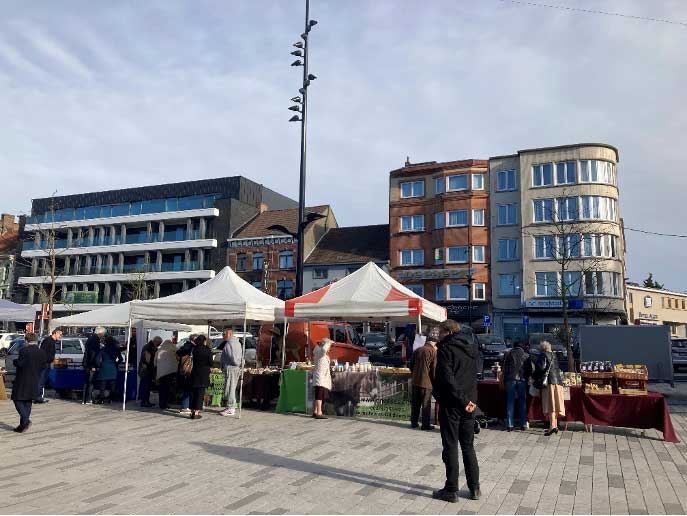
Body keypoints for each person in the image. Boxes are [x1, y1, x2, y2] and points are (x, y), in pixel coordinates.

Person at [432, 320, 480, 502]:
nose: (439, 336)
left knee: (451, 445)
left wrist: (462, 400)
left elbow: (447, 379)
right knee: (468, 446)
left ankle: (451, 489)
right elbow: (476, 373)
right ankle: (474, 488)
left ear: (448, 332)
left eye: (440, 332)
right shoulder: (472, 347)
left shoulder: (446, 349)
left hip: (453, 403)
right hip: (470, 402)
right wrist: (469, 401)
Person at [11, 333, 46, 432]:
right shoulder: (42, 352)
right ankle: (22, 426)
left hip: (23, 379)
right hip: (35, 379)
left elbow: (21, 363)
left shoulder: (24, 350)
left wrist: (15, 362)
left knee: (17, 399)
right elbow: (44, 366)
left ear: (26, 340)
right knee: (28, 401)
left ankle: (25, 420)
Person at [408, 330, 437, 430]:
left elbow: (410, 365)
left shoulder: (418, 350)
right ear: (434, 343)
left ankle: (414, 422)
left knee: (415, 403)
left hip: (415, 381)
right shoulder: (433, 352)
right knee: (426, 405)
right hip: (426, 383)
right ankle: (425, 425)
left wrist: (414, 374)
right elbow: (433, 369)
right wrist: (435, 382)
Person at [535, 341, 564, 436]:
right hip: (558, 382)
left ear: (542, 348)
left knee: (551, 404)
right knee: (555, 404)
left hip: (549, 383)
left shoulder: (542, 355)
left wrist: (534, 376)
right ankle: (555, 425)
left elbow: (540, 369)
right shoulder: (554, 355)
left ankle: (552, 426)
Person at [502, 340, 530, 431]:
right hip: (522, 379)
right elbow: (529, 369)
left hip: (510, 379)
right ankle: (523, 424)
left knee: (510, 401)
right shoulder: (526, 355)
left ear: (514, 346)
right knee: (522, 401)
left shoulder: (508, 354)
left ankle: (510, 424)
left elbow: (504, 367)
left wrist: (505, 379)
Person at [219, 328, 243, 417]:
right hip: (233, 368)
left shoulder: (230, 343)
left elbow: (233, 358)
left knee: (230, 388)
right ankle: (230, 406)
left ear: (229, 334)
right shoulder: (236, 342)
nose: (222, 336)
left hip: (231, 368)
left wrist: (234, 363)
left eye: (223, 334)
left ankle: (231, 408)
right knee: (231, 388)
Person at [189, 335, 213, 419]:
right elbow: (211, 362)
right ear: (204, 341)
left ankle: (192, 410)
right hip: (203, 374)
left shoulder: (194, 349)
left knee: (193, 392)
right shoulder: (207, 350)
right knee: (200, 393)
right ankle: (196, 412)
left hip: (194, 372)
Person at [35, 327, 61, 403]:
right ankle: (38, 397)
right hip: (44, 364)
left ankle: (39, 397)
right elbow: (43, 353)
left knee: (42, 381)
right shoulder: (48, 340)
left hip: (47, 363)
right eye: (60, 334)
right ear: (55, 333)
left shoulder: (52, 341)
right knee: (41, 380)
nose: (60, 336)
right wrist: (46, 361)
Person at [93, 336, 122, 404]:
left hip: (104, 369)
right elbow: (121, 359)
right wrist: (116, 363)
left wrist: (100, 365)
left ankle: (101, 399)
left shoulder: (103, 349)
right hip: (113, 369)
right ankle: (111, 399)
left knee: (102, 386)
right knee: (112, 386)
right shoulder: (116, 349)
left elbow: (97, 359)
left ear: (106, 342)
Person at [82, 326, 106, 405]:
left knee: (87, 382)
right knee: (91, 382)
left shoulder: (90, 338)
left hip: (86, 363)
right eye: (103, 334)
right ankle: (88, 399)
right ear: (100, 333)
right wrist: (94, 365)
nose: (103, 335)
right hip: (91, 364)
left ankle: (84, 399)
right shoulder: (95, 340)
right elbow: (93, 353)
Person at [312, 338, 332, 420]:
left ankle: (316, 411)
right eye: (329, 347)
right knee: (319, 395)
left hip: (321, 377)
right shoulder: (321, 352)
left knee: (319, 394)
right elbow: (324, 349)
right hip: (321, 377)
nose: (329, 349)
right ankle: (319, 412)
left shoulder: (318, 351)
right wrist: (329, 343)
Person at [155, 339, 178, 410]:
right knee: (168, 388)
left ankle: (161, 403)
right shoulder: (174, 349)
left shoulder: (159, 350)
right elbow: (178, 358)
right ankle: (165, 403)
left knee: (161, 388)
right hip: (171, 372)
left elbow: (155, 363)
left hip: (161, 374)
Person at [138, 336, 161, 408]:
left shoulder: (148, 346)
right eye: (159, 343)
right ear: (155, 342)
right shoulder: (149, 347)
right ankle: (144, 402)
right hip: (146, 370)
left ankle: (146, 401)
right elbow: (147, 360)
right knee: (146, 386)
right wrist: (153, 365)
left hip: (146, 369)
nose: (159, 345)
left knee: (146, 386)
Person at [176, 334, 196, 415]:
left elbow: (178, 354)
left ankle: (186, 406)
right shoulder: (188, 346)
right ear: (192, 340)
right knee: (186, 389)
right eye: (196, 339)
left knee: (187, 389)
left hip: (184, 371)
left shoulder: (186, 346)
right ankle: (184, 407)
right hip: (187, 371)